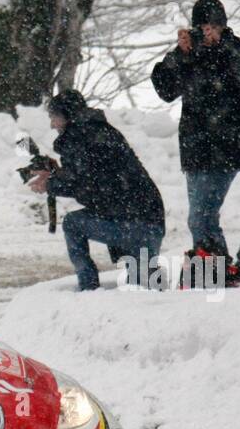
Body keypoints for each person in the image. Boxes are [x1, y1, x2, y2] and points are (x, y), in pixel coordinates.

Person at [151, 0, 240, 257]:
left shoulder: (238, 49)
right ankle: (215, 272)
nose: (207, 32)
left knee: (201, 217)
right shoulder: (189, 54)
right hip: (195, 149)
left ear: (223, 26)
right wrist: (181, 55)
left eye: (213, 26)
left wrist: (223, 45)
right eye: (202, 26)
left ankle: (214, 273)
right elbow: (165, 89)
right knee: (202, 217)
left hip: (227, 145)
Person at [26, 90, 165, 291]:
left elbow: (86, 185)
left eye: (54, 117)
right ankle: (155, 291)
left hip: (130, 224)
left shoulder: (77, 137)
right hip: (150, 220)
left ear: (67, 115)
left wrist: (50, 184)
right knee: (143, 287)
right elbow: (97, 178)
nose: (52, 125)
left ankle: (88, 289)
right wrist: (57, 175)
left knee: (73, 224)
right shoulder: (100, 130)